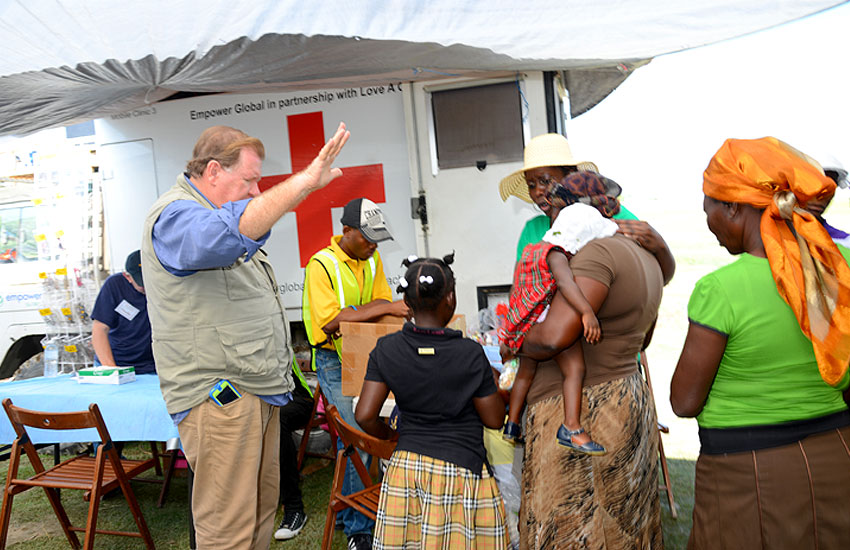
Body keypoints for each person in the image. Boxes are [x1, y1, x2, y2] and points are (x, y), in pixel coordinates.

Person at [140, 123, 350, 550]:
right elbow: (225, 234)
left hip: (254, 392)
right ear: (213, 171)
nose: (256, 191)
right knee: (228, 530)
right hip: (221, 398)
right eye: (250, 179)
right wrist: (305, 182)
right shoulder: (177, 217)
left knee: (257, 514)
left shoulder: (210, 214)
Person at [670, 137, 850, 550]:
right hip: (836, 455)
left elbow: (684, 401)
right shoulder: (836, 269)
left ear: (733, 207)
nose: (709, 223)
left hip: (747, 470)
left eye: (710, 210)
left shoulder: (720, 289)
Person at [511, 174, 665, 548]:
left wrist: (513, 339)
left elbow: (554, 337)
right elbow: (645, 335)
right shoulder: (645, 255)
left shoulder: (596, 254)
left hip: (587, 408)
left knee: (573, 526)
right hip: (627, 395)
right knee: (625, 521)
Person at [354, 254, 510, 549]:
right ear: (450, 298)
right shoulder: (470, 354)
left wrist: (392, 436)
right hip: (461, 472)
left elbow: (364, 416)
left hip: (406, 470)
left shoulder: (386, 349)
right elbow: (493, 419)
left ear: (407, 301)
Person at [302, 197, 409, 550]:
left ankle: (377, 512)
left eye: (377, 238)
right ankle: (358, 529)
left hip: (365, 352)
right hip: (333, 360)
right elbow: (331, 323)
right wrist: (376, 309)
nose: (374, 245)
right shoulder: (322, 265)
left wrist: (356, 312)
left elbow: (376, 305)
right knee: (358, 438)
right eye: (367, 238)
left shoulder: (371, 257)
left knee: (379, 428)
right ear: (346, 231)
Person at [501, 199, 618, 455]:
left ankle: (512, 424)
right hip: (542, 320)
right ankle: (572, 427)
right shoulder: (556, 254)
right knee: (575, 368)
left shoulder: (532, 250)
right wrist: (587, 312)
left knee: (525, 372)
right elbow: (566, 284)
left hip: (523, 323)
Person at [499, 132, 675, 283]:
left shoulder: (611, 214)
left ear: (571, 176)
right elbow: (520, 289)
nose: (537, 191)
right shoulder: (533, 231)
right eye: (531, 185)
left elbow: (657, 277)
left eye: (545, 181)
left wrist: (660, 246)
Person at [91, 249, 155, 375]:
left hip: (152, 365)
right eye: (142, 283)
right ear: (128, 277)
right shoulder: (115, 285)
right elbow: (100, 329)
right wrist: (111, 369)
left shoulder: (165, 287)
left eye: (151, 281)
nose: (148, 287)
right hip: (117, 361)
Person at [273, 359, 314, 541]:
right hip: (262, 399)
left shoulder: (267, 332)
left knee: (276, 421)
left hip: (295, 395)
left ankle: (294, 508)